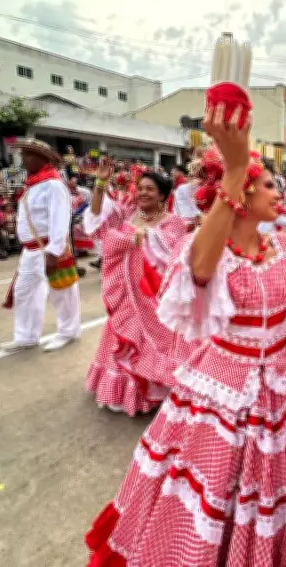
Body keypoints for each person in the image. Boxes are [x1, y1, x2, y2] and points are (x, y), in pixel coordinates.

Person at [84, 104, 286, 566]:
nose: (278, 193)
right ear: (239, 196)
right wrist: (237, 166)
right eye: (266, 186)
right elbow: (199, 270)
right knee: (216, 486)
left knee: (264, 488)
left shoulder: (284, 245)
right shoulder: (207, 249)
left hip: (280, 385)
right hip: (223, 386)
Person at [82, 158, 195, 414]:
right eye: (140, 188)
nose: (143, 193)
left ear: (163, 195)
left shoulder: (173, 222)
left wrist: (141, 237)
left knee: (156, 341)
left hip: (152, 296)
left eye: (150, 189)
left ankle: (153, 388)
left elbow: (170, 251)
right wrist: (100, 183)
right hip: (125, 293)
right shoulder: (130, 213)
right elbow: (97, 216)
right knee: (121, 337)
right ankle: (121, 389)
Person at [1, 139, 81, 353]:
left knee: (62, 293)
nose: (23, 159)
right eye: (23, 154)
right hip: (30, 250)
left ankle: (68, 332)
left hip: (49, 248)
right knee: (23, 291)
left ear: (42, 159)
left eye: (28, 155)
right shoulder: (33, 185)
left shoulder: (54, 185)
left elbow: (60, 220)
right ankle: (26, 336)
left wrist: (54, 252)